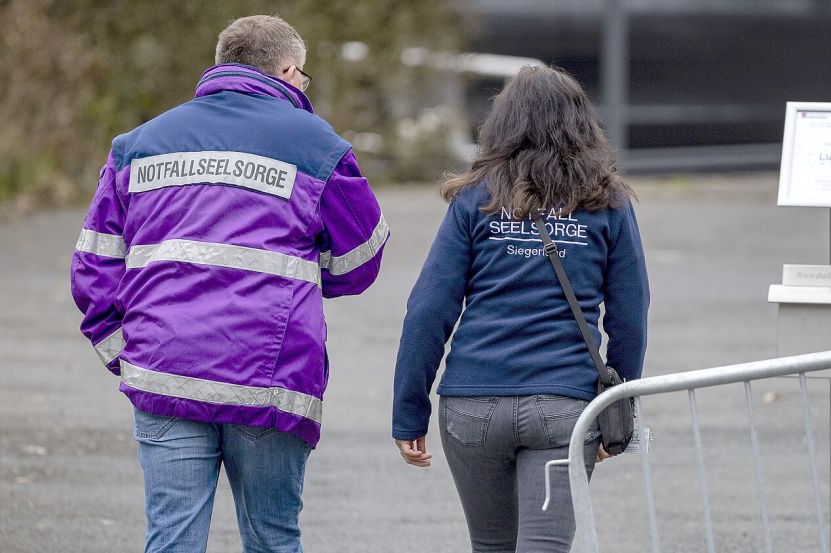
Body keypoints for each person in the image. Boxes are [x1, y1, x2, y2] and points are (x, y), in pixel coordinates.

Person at [70, 15, 388, 553]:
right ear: (288, 71)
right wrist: (304, 275)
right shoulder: (318, 146)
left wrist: (125, 353)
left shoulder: (139, 145)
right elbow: (360, 261)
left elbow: (94, 264)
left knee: (171, 539)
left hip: (165, 373)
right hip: (271, 375)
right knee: (272, 539)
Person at [391, 65, 649, 553]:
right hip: (564, 406)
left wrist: (409, 412)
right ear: (581, 125)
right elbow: (629, 317)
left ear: (502, 125)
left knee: (491, 546)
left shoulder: (475, 199)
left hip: (472, 404)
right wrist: (617, 411)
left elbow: (427, 310)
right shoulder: (608, 201)